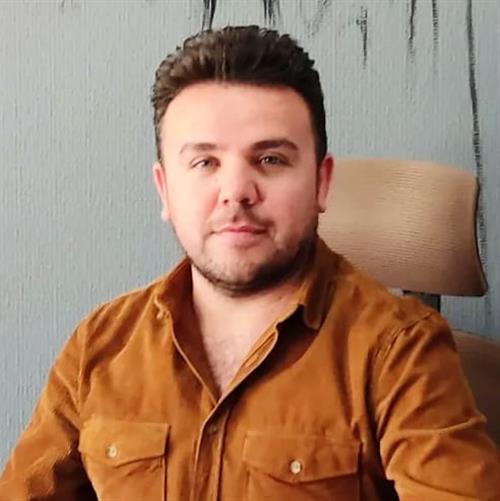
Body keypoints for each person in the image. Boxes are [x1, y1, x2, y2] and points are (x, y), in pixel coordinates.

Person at [1, 25, 499, 501]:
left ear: (322, 183)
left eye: (270, 159)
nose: (236, 191)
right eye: (205, 162)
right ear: (165, 190)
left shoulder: (400, 352)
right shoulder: (100, 345)